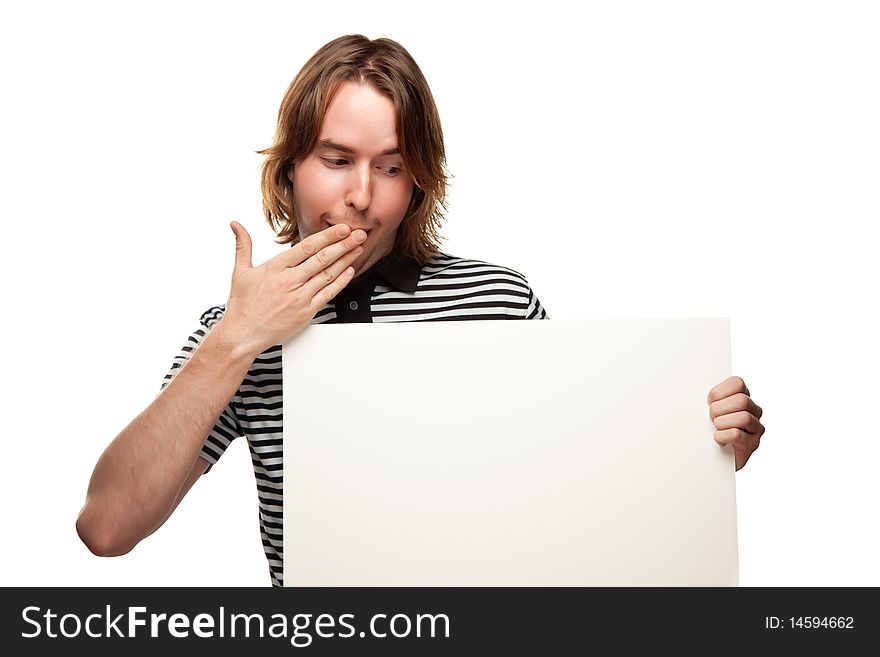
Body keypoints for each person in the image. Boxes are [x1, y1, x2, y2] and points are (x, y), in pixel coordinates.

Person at [76, 34, 766, 587]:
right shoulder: (234, 334)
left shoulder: (498, 299)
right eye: (336, 158)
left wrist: (702, 456)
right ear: (290, 168)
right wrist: (238, 338)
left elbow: (583, 492)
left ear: (418, 182)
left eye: (391, 166)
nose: (360, 195)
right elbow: (106, 528)